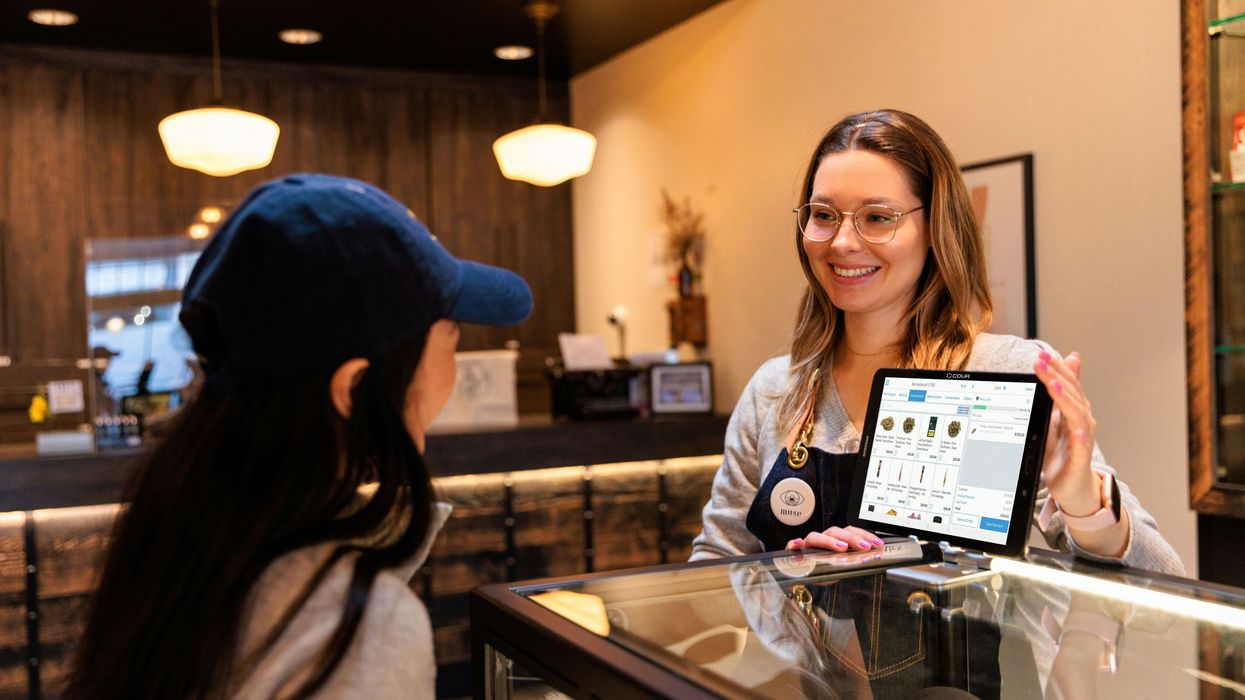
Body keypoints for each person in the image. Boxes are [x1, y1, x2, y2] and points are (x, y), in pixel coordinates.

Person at [65, 174, 532, 698]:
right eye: (451, 335)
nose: (455, 360)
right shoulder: (359, 633)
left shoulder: (187, 538)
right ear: (353, 387)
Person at [691, 109, 1182, 576]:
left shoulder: (1006, 372)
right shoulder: (776, 390)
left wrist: (1083, 502)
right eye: (824, 214)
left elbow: (1160, 581)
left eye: (878, 217)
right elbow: (711, 573)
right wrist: (795, 571)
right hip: (808, 669)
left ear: (935, 229)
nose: (841, 242)